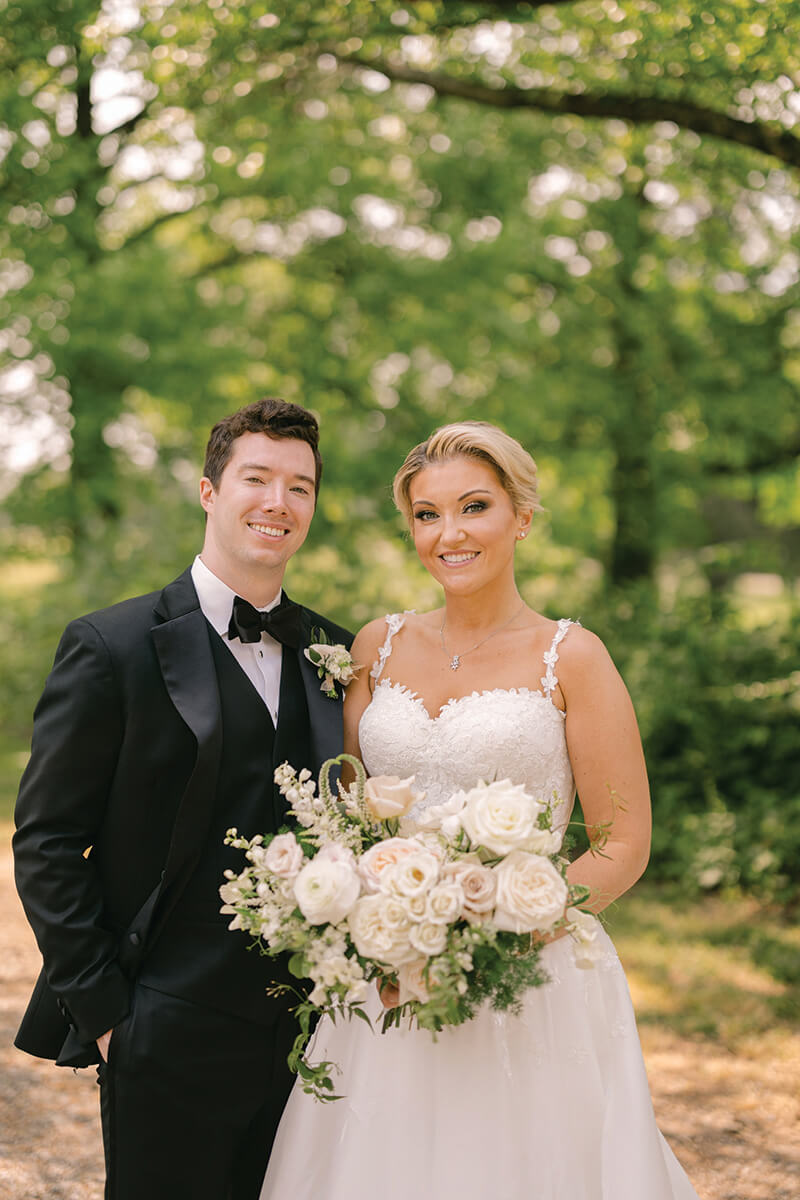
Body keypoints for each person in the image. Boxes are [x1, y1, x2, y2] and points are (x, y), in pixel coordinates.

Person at [260, 420, 699, 1200]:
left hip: (529, 976)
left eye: (474, 507)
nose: (448, 534)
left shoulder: (575, 657)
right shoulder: (376, 647)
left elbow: (622, 840)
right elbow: (354, 817)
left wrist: (501, 929)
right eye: (427, 515)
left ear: (521, 517)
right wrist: (382, 923)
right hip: (387, 974)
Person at [13, 398, 352, 1200]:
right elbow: (47, 839)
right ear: (209, 491)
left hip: (315, 1035)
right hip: (162, 1022)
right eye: (256, 478)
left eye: (299, 487)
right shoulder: (112, 646)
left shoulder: (332, 651)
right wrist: (107, 1014)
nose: (278, 503)